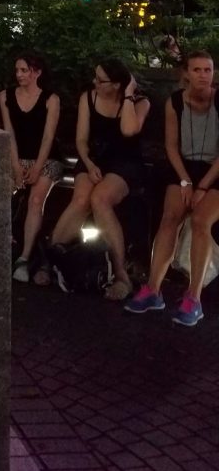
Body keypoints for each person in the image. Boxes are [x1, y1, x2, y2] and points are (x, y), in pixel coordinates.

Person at [126, 50, 219, 324]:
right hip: (185, 168)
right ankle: (153, 290)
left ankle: (194, 298)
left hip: (214, 171)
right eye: (197, 70)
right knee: (169, 218)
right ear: (186, 74)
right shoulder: (175, 102)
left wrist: (201, 187)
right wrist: (185, 181)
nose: (203, 75)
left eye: (208, 70)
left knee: (201, 220)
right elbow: (171, 146)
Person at [50, 59, 150, 300]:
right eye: (94, 77)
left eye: (100, 80)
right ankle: (53, 259)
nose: (94, 83)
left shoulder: (141, 102)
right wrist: (90, 163)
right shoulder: (89, 97)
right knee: (82, 198)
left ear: (117, 84)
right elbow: (81, 139)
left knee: (100, 199)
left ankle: (120, 273)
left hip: (125, 162)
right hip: (94, 157)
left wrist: (127, 96)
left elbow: (129, 130)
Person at [0, 53, 61, 285]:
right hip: (17, 157)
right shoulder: (6, 96)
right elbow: (9, 133)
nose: (19, 75)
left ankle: (25, 256)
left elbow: (48, 136)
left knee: (36, 199)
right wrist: (16, 166)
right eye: (17, 70)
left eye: (24, 70)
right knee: (0, 191)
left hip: (45, 159)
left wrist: (37, 166)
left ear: (37, 72)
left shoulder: (50, 99)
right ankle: (2, 247)